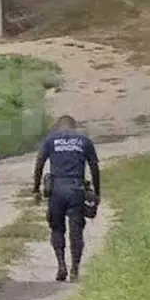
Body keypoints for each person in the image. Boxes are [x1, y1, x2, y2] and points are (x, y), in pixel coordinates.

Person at [32, 115, 100, 282]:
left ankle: (61, 265)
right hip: (76, 188)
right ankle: (75, 268)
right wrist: (97, 192)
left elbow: (39, 163)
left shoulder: (51, 140)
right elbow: (94, 167)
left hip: (56, 190)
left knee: (57, 229)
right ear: (74, 126)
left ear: (58, 126)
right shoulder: (84, 141)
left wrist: (35, 188)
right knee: (76, 230)